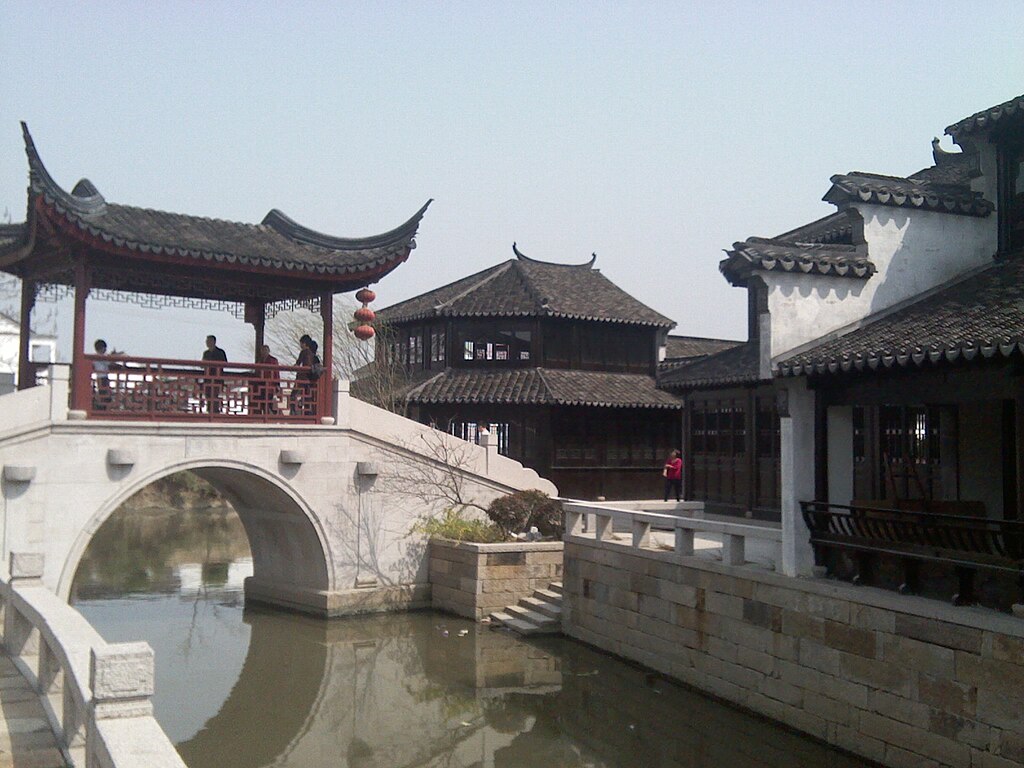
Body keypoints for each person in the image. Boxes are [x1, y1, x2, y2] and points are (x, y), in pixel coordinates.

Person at [202, 335, 228, 414]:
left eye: (209, 341)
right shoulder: (206, 353)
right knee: (208, 395)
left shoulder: (220, 352)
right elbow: (202, 364)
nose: (207, 343)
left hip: (217, 378)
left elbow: (225, 364)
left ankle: (215, 413)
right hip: (207, 378)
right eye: (207, 341)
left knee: (215, 395)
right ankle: (209, 411)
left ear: (214, 342)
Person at [254, 344, 280, 415]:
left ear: (268, 351)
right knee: (262, 402)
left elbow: (276, 373)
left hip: (270, 384)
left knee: (268, 401)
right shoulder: (260, 361)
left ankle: (270, 415)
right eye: (262, 350)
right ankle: (265, 415)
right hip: (261, 384)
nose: (264, 352)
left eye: (265, 350)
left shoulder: (273, 360)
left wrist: (277, 384)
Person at [92, 339, 112, 410]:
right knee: (105, 394)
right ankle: (102, 408)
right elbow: (109, 363)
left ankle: (102, 407)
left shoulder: (94, 357)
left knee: (103, 393)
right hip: (102, 377)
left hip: (101, 377)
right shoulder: (101, 357)